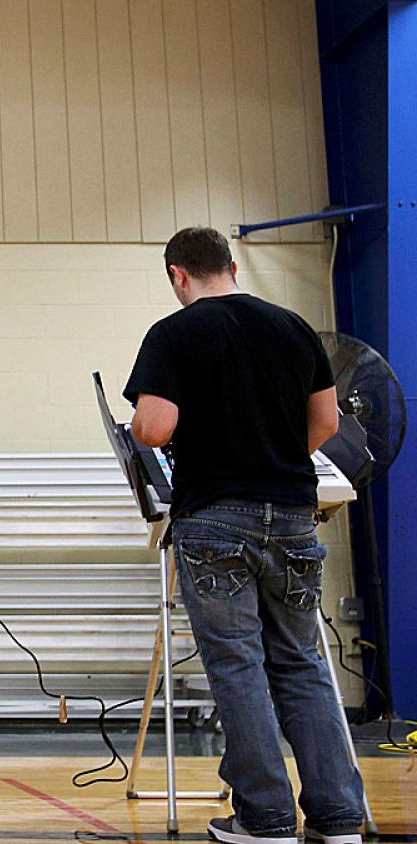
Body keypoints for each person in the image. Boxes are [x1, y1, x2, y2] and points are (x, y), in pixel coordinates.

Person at [125, 227, 363, 844]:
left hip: (215, 517)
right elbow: (327, 421)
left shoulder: (173, 333)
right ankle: (338, 816)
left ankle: (266, 818)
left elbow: (154, 428)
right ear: (232, 266)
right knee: (302, 662)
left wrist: (147, 429)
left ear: (178, 274)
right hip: (293, 514)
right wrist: (271, 456)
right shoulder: (293, 327)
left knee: (238, 666)